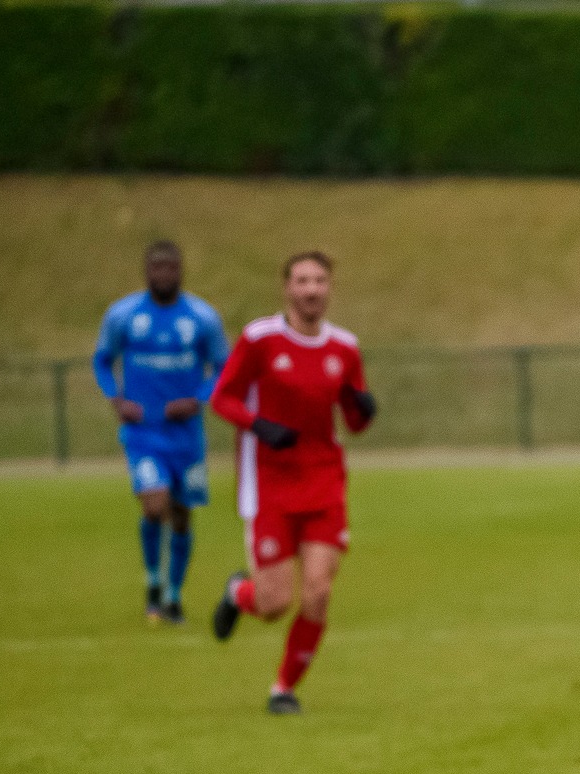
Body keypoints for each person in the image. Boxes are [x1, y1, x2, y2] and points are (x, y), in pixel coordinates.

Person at [207, 252, 376, 714]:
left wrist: (365, 407)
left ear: (330, 289)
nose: (311, 289)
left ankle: (283, 688)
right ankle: (239, 594)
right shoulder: (259, 339)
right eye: (302, 280)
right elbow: (222, 398)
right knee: (275, 602)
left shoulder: (344, 347)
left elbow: (354, 422)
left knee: (319, 591)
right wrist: (258, 426)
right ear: (286, 288)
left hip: (324, 481)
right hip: (271, 485)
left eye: (319, 280)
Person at [93, 241, 227, 623]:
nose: (164, 274)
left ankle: (173, 596)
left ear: (181, 271)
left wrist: (198, 399)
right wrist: (116, 401)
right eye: (158, 268)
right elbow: (102, 360)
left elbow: (223, 366)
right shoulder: (124, 315)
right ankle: (152, 581)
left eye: (171, 268)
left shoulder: (202, 318)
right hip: (143, 434)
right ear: (147, 271)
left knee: (183, 516)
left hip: (186, 437)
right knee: (155, 507)